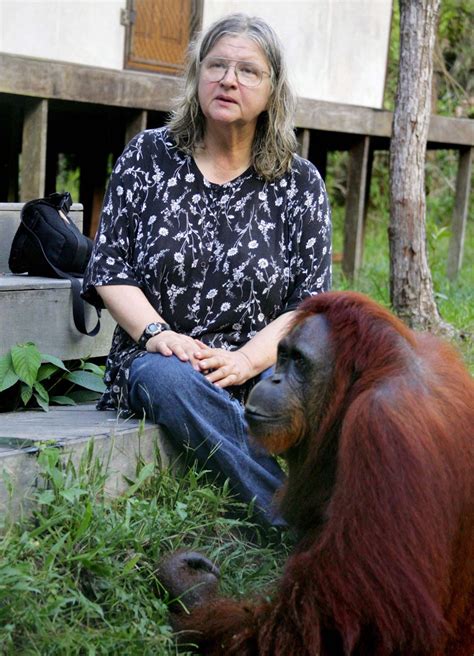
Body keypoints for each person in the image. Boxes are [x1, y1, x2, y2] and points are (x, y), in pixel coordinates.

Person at [82, 13, 331, 528]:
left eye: (247, 70)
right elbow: (109, 267)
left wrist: (244, 361)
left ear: (272, 90)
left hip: (261, 364)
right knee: (170, 382)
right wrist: (156, 334)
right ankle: (296, 519)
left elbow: (307, 305)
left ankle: (374, 510)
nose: (228, 79)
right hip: (161, 361)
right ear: (198, 76)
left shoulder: (299, 182)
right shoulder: (148, 157)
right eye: (216, 66)